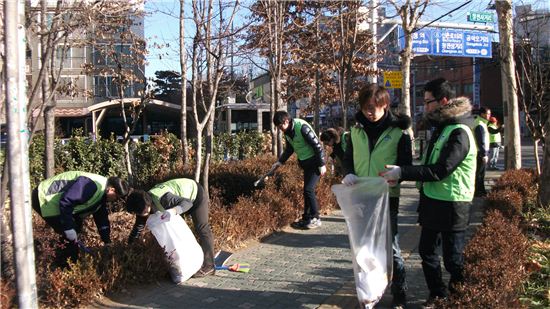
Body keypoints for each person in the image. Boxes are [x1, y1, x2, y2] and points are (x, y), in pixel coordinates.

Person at [380, 78, 476, 307]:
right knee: (427, 251)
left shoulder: (460, 130)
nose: (425, 106)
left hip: (454, 202)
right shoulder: (444, 127)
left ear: (443, 101)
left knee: (453, 259)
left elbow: (441, 169)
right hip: (433, 199)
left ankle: (458, 298)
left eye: (428, 101)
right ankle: (438, 294)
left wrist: (402, 172)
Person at [340, 83, 412, 308]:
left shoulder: (399, 133)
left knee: (391, 247)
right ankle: (368, 293)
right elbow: (347, 158)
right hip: (361, 196)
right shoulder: (355, 131)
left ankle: (399, 294)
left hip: (387, 196)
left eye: (374, 107)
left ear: (385, 105)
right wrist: (348, 173)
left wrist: (397, 174)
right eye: (365, 107)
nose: (370, 112)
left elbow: (406, 166)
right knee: (363, 248)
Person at [31, 171, 130, 265]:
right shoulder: (92, 185)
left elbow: (101, 217)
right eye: (117, 197)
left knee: (75, 229)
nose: (116, 200)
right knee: (69, 235)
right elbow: (66, 202)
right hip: (44, 197)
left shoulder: (102, 193)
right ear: (112, 189)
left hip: (58, 203)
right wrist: (69, 228)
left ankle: (66, 262)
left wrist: (107, 241)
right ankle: (66, 267)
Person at [125, 178, 215, 278]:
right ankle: (183, 263)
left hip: (195, 194)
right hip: (181, 200)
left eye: (142, 212)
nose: (141, 215)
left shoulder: (164, 199)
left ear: (147, 204)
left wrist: (173, 211)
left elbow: (187, 203)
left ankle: (209, 265)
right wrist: (128, 248)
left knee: (202, 228)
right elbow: (138, 227)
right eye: (138, 213)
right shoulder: (141, 204)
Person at [272, 110, 326, 229]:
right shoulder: (287, 132)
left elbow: (317, 145)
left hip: (315, 163)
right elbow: (289, 149)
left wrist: (322, 164)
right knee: (306, 190)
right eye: (278, 127)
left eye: (281, 126)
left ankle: (316, 218)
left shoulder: (301, 127)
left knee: (308, 189)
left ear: (286, 121)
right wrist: (279, 162)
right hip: (305, 163)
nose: (280, 129)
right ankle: (306, 219)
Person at [472, 107, 491, 197]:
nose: (489, 116)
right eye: (487, 114)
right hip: (480, 152)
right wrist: (484, 154)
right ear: (482, 114)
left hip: (480, 152)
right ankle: (478, 192)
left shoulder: (481, 123)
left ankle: (481, 190)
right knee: (479, 173)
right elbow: (481, 140)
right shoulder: (479, 124)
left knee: (481, 173)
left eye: (489, 114)